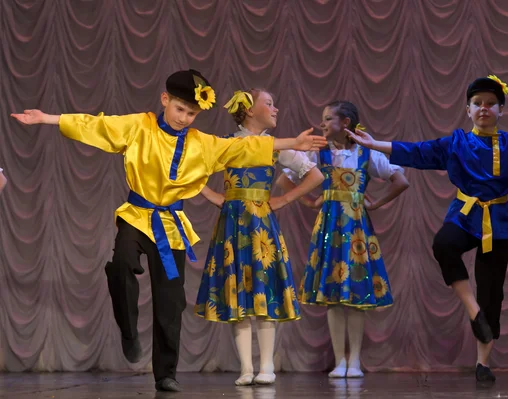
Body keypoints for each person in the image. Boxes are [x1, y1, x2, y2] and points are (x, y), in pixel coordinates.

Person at [10, 69, 327, 392]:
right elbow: (96, 126)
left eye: (191, 114)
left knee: (170, 300)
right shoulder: (139, 126)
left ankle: (165, 373)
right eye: (180, 110)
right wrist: (47, 118)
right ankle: (129, 332)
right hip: (137, 215)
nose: (184, 118)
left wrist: (293, 143)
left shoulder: (201, 144)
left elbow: (244, 149)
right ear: (165, 100)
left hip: (172, 227)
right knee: (120, 265)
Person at [346, 75, 508, 382]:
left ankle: (483, 363)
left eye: (491, 104)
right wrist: (376, 145)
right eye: (477, 104)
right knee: (444, 245)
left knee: (491, 290)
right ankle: (472, 308)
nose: (484, 108)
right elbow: (417, 151)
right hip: (464, 214)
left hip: (499, 221)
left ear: (501, 110)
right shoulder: (456, 143)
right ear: (467, 110)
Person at [195, 88, 325, 386]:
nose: (275, 109)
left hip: (261, 224)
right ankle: (245, 368)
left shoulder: (274, 145)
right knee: (238, 289)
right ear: (250, 110)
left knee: (262, 288)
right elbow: (194, 172)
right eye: (269, 103)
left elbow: (315, 176)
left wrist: (282, 200)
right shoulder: (226, 143)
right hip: (233, 224)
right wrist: (216, 196)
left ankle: (266, 366)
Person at [278, 101, 409, 378]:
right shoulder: (319, 154)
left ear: (345, 123)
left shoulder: (365, 154)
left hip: (358, 229)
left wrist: (374, 204)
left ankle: (355, 361)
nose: (322, 124)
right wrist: (311, 201)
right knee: (334, 296)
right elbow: (285, 181)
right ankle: (340, 360)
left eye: (328, 119)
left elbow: (400, 181)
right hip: (329, 227)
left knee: (357, 293)